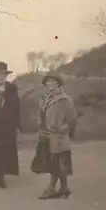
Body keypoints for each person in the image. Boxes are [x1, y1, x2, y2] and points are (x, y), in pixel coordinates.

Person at [30, 71, 78, 199]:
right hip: (46, 134)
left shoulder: (64, 99)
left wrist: (64, 129)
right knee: (54, 162)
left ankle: (51, 188)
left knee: (56, 162)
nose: (50, 83)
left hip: (58, 136)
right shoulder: (46, 98)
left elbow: (72, 119)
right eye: (48, 81)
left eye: (53, 81)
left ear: (58, 83)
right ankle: (64, 187)